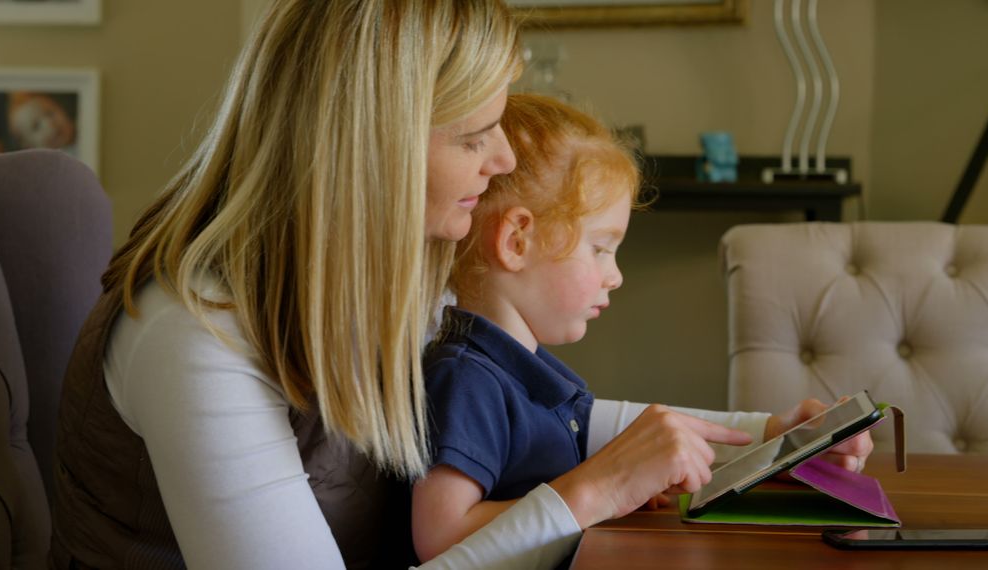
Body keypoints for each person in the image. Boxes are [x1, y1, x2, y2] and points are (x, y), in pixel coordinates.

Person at [50, 1, 872, 569]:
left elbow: (540, 415)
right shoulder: (198, 339)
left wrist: (764, 438)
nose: (506, 161)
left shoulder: (386, 277)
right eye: (477, 135)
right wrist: (590, 494)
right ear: (376, 150)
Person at [412, 94, 873, 562]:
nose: (615, 275)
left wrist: (776, 435)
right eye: (599, 248)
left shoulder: (518, 370)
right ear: (517, 241)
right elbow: (441, 537)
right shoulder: (466, 379)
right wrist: (601, 491)